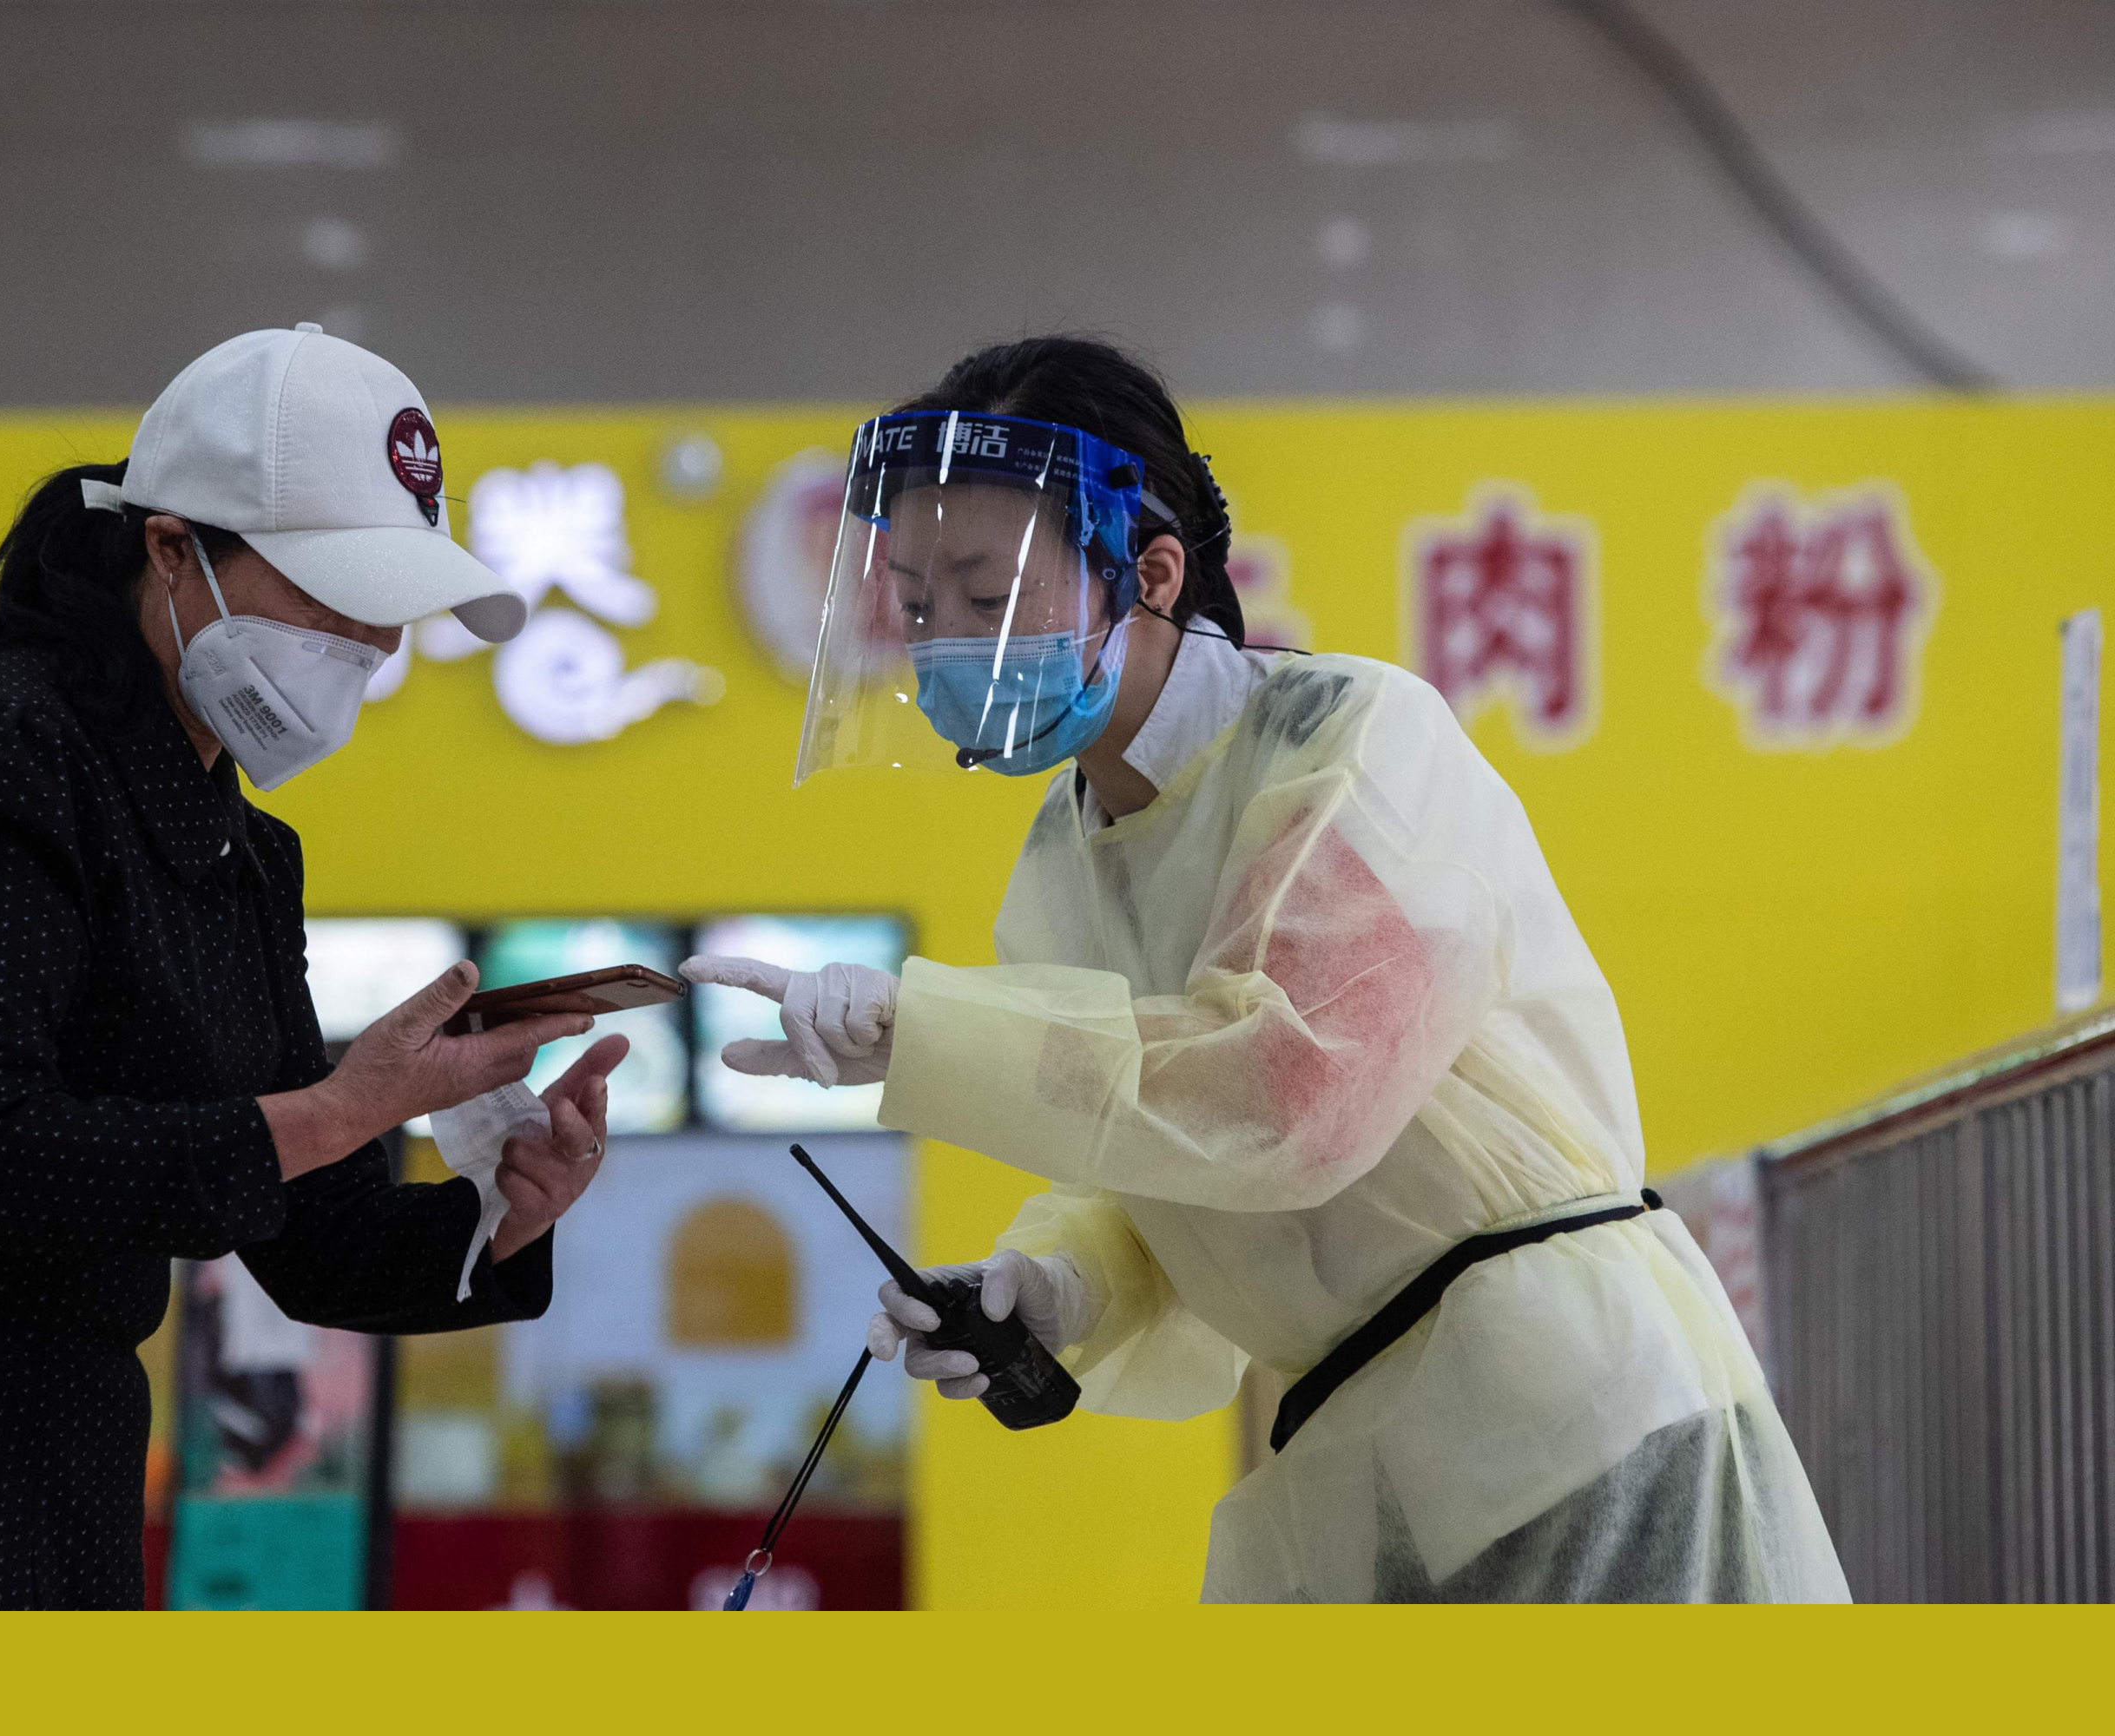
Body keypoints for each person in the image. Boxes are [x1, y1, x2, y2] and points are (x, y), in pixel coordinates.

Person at [685, 336, 1848, 1602]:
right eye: (916, 607)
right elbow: (1181, 1164)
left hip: (1570, 1426)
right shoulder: (1064, 868)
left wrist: (923, 1032)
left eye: (991, 597)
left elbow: (1287, 1096)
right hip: (1375, 1462)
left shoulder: (1344, 745)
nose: (950, 645)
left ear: (1153, 570)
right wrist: (1055, 1288)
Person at [0, 326, 621, 1608]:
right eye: (330, 593)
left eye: (389, 612)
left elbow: (308, 1235)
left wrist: (503, 1214)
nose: (366, 646)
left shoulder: (234, 840)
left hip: (56, 1480)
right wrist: (344, 1104)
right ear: (171, 548)